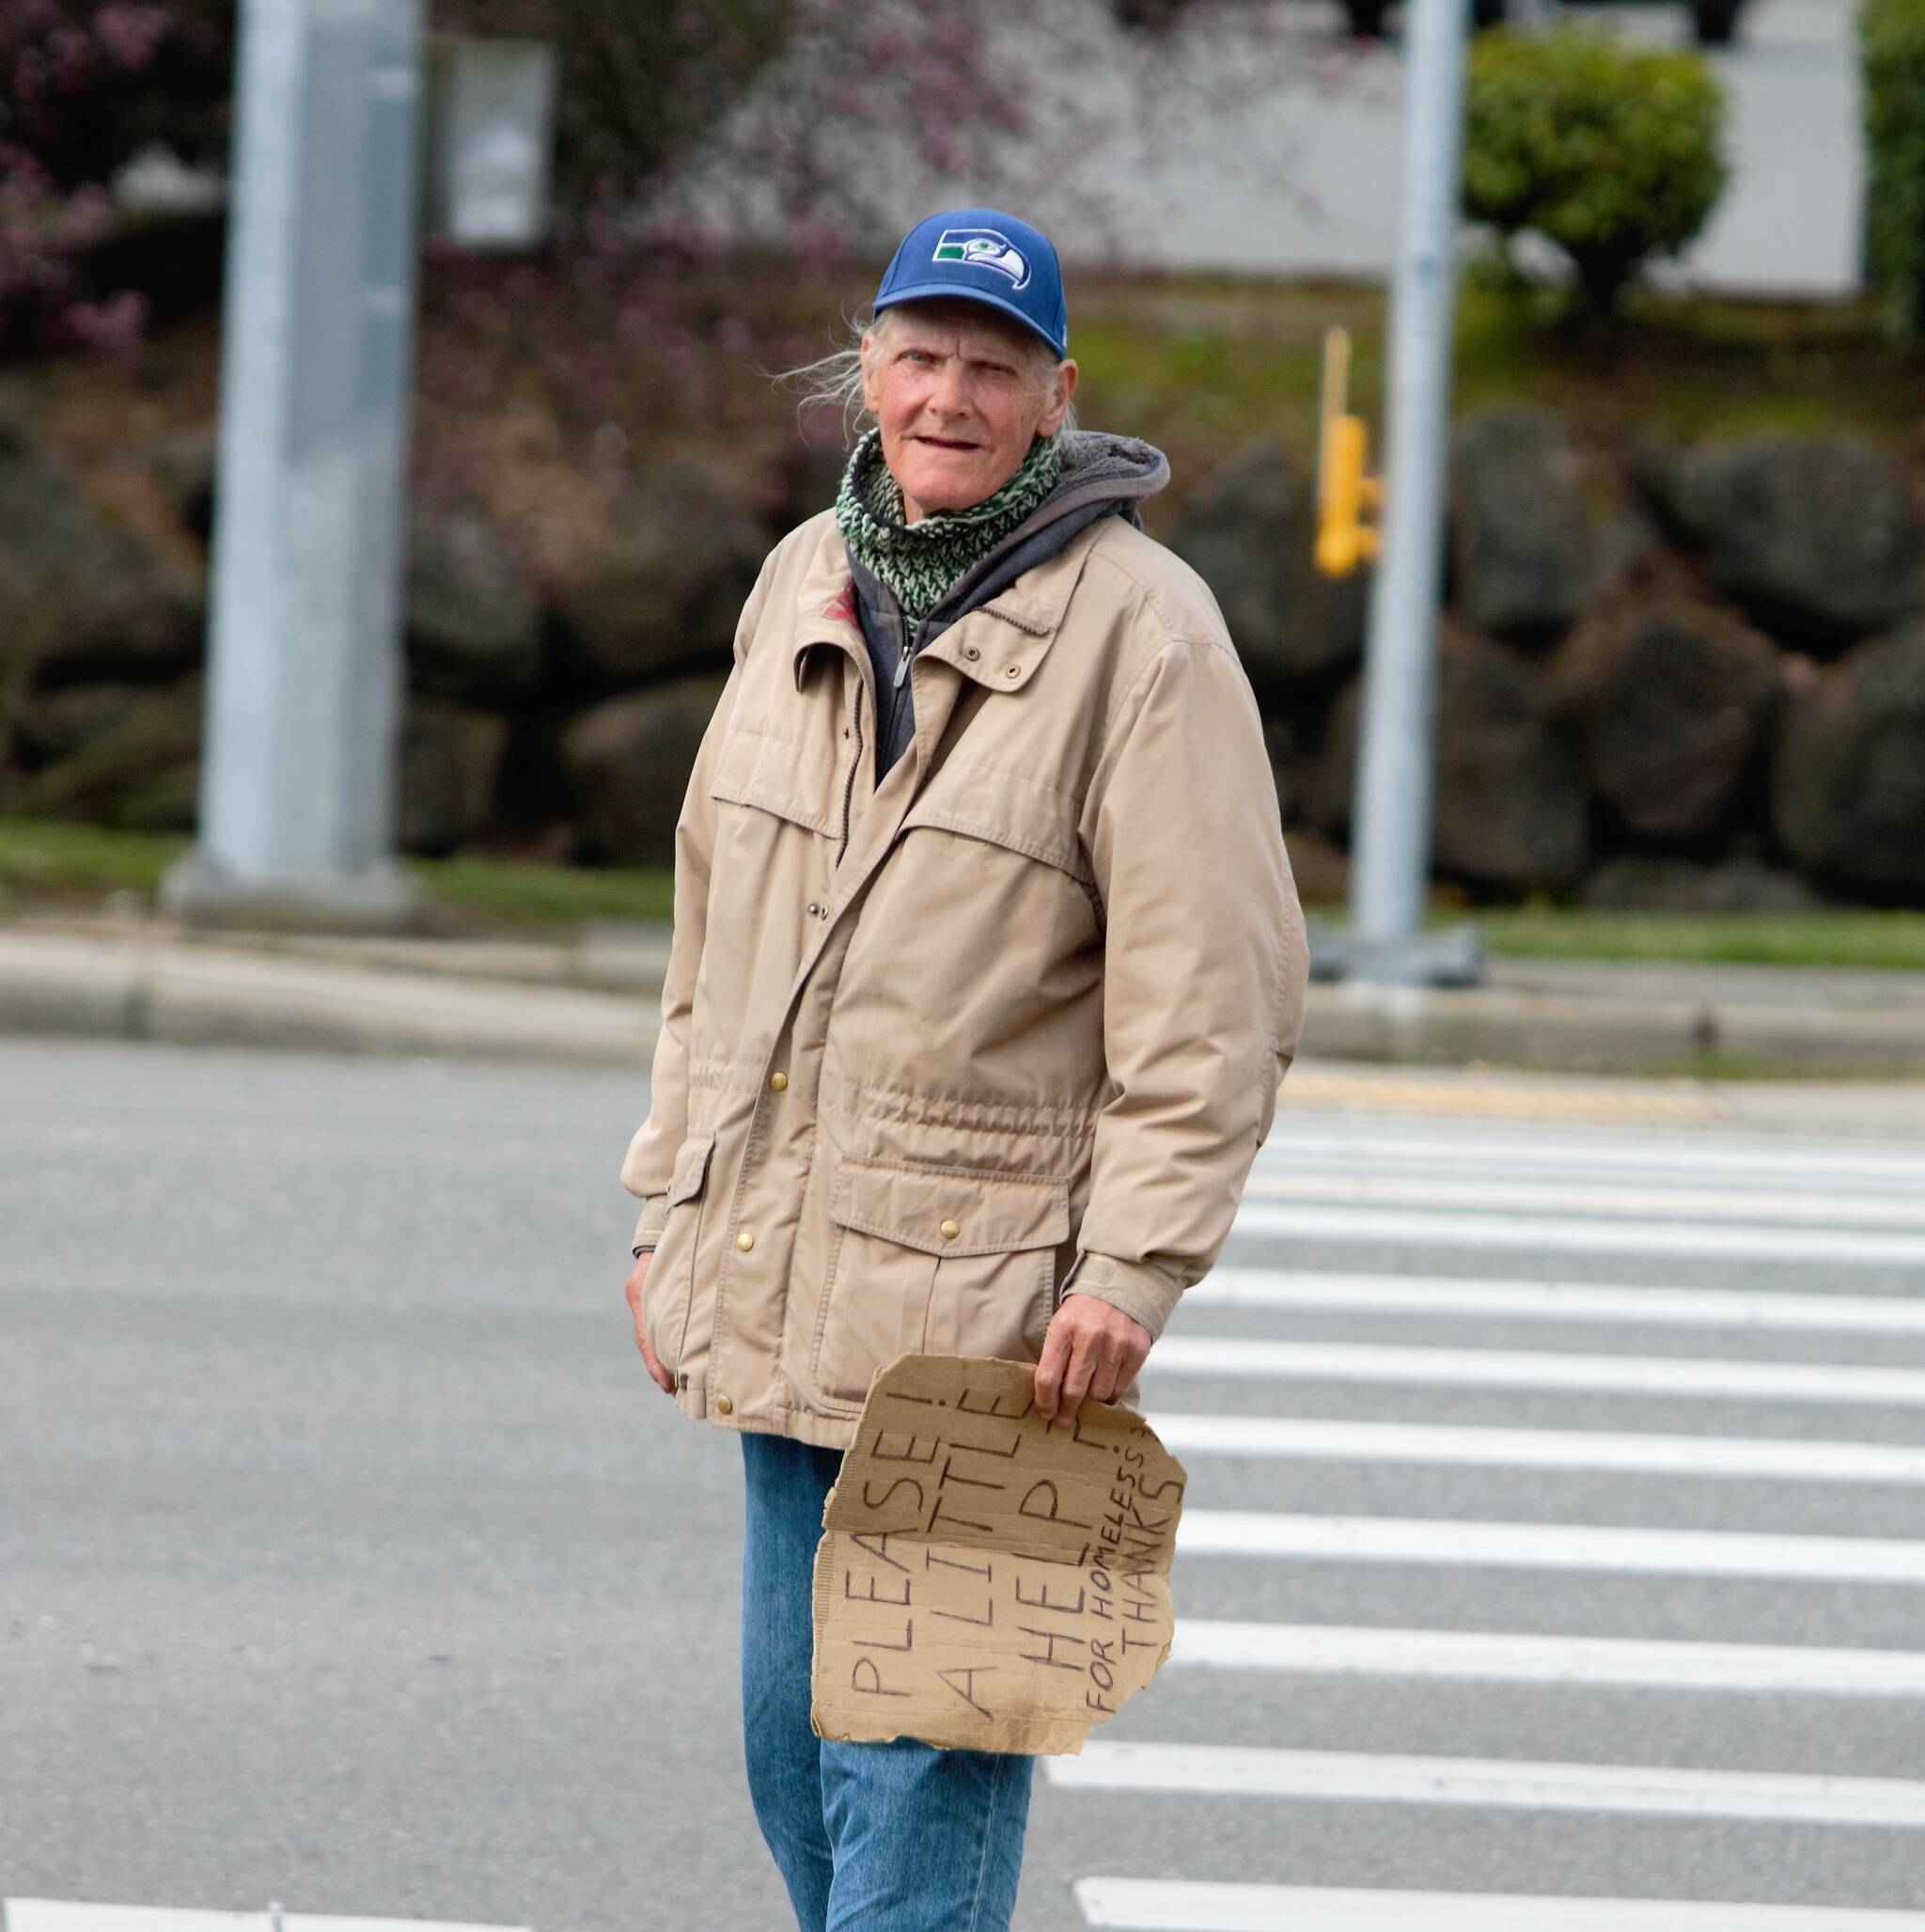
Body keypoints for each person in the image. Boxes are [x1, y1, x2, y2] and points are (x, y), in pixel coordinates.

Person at [620, 207, 1307, 1931]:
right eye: (919, 356)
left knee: (919, 1762)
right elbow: (716, 920)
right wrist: (668, 1200)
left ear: (1055, 395)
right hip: (783, 1269)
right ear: (866, 364)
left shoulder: (1149, 636)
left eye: (991, 367)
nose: (948, 396)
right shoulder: (805, 575)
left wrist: (1135, 1264)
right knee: (797, 1757)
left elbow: (1209, 989)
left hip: (994, 1324)